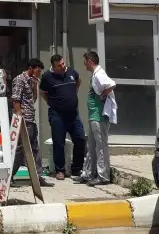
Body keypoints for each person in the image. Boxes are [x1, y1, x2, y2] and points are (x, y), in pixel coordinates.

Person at [39, 54, 86, 180]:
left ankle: (77, 168)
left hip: (73, 114)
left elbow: (78, 80)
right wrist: (50, 102)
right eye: (59, 65)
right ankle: (60, 170)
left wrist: (73, 94)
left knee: (80, 138)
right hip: (57, 114)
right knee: (58, 142)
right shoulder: (47, 77)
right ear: (54, 66)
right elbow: (42, 92)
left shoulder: (71, 72)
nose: (63, 66)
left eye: (63, 63)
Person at [11, 58, 54, 187]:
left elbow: (33, 99)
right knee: (21, 149)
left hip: (31, 118)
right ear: (31, 68)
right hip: (24, 119)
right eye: (38, 70)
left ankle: (37, 176)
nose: (39, 73)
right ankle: (9, 175)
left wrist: (35, 85)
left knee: (34, 148)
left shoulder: (31, 81)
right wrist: (19, 115)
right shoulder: (20, 80)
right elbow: (16, 99)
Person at [78, 51, 117, 186]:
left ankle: (103, 176)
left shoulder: (99, 74)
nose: (84, 64)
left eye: (85, 62)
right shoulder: (95, 74)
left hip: (99, 116)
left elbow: (112, 84)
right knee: (91, 146)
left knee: (101, 146)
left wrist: (104, 94)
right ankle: (88, 173)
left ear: (89, 61)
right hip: (93, 115)